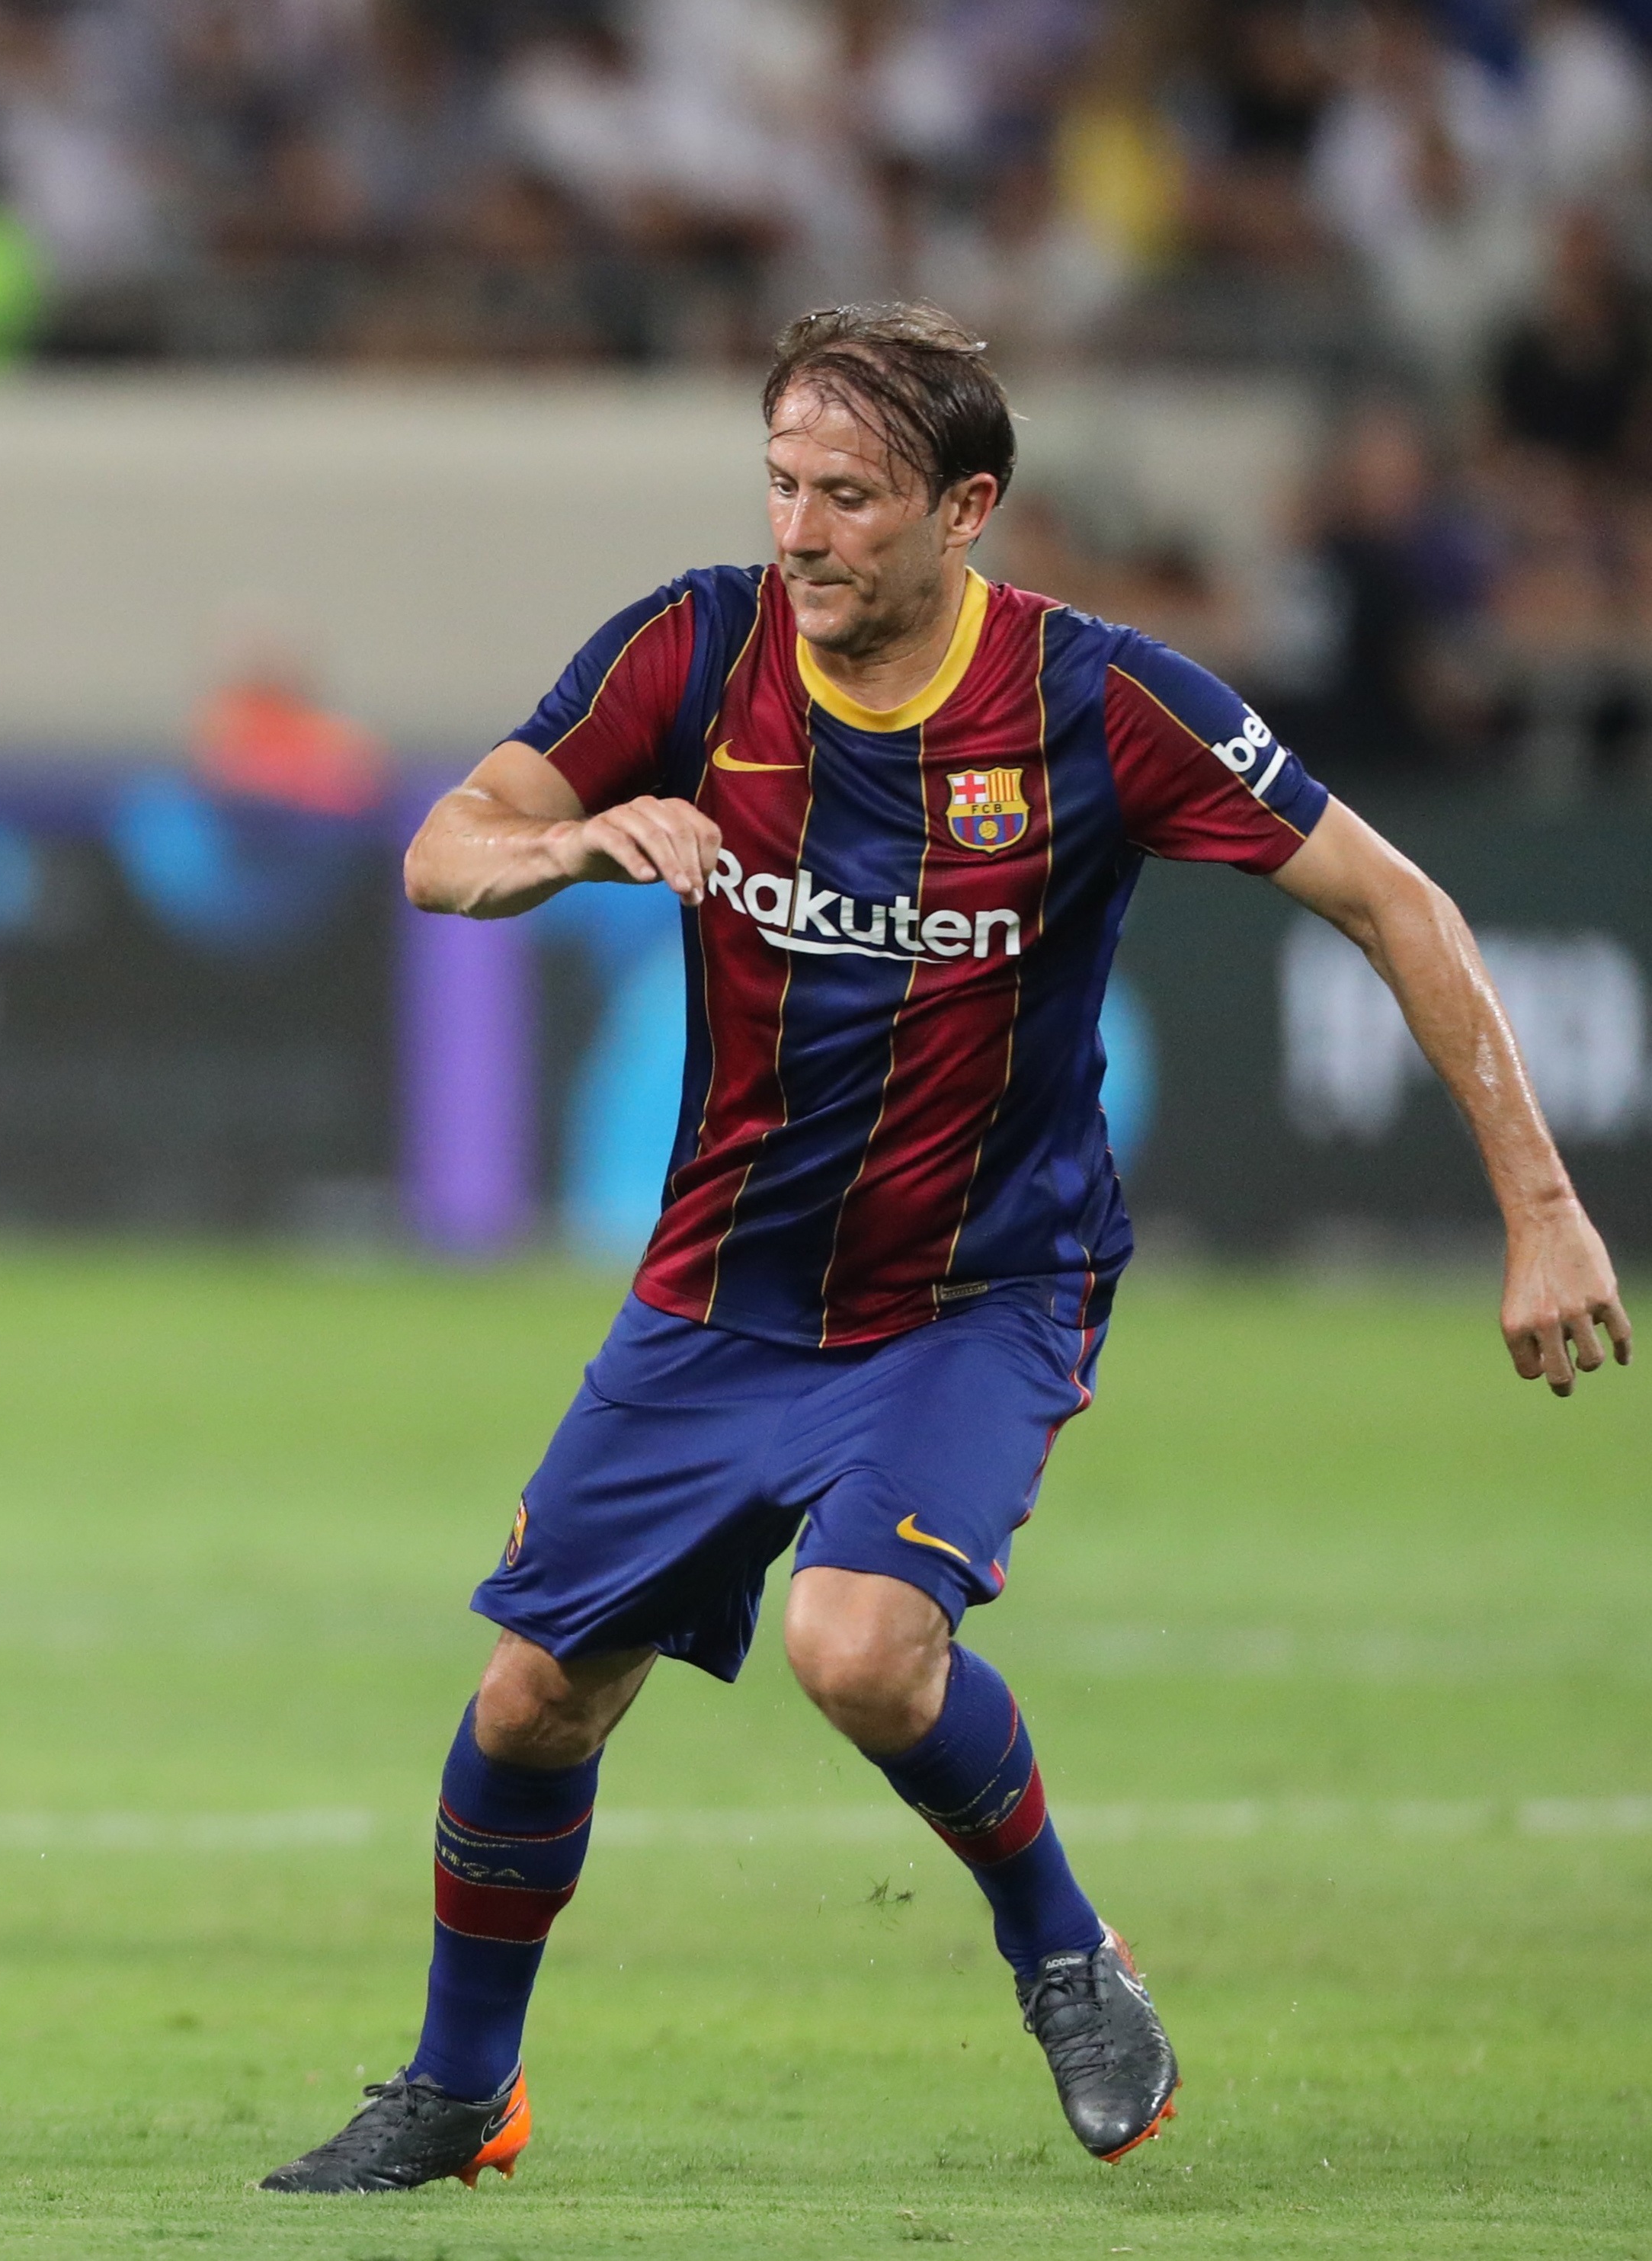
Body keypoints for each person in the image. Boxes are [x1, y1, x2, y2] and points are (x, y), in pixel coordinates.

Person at [261, 302, 1628, 2195]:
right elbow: (446, 842)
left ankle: (1063, 1948)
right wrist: (567, 850)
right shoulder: (694, 644)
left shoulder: (1100, 701)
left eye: (850, 497)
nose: (802, 533)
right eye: (781, 486)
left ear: (966, 508)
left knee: (861, 1645)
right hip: (724, 1289)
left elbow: (1397, 899)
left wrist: (1542, 1204)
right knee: (533, 1695)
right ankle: (455, 2087)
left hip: (980, 1289)